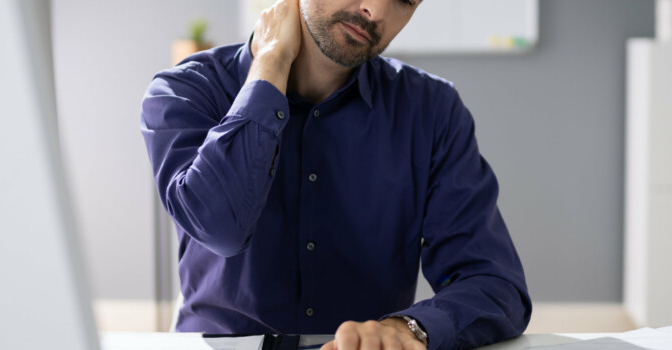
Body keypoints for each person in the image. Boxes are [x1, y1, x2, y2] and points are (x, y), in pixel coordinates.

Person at [140, 0, 530, 349]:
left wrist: (408, 328)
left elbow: (495, 284)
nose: (376, 11)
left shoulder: (433, 110)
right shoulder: (186, 91)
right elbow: (220, 228)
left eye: (404, 0)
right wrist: (271, 63)